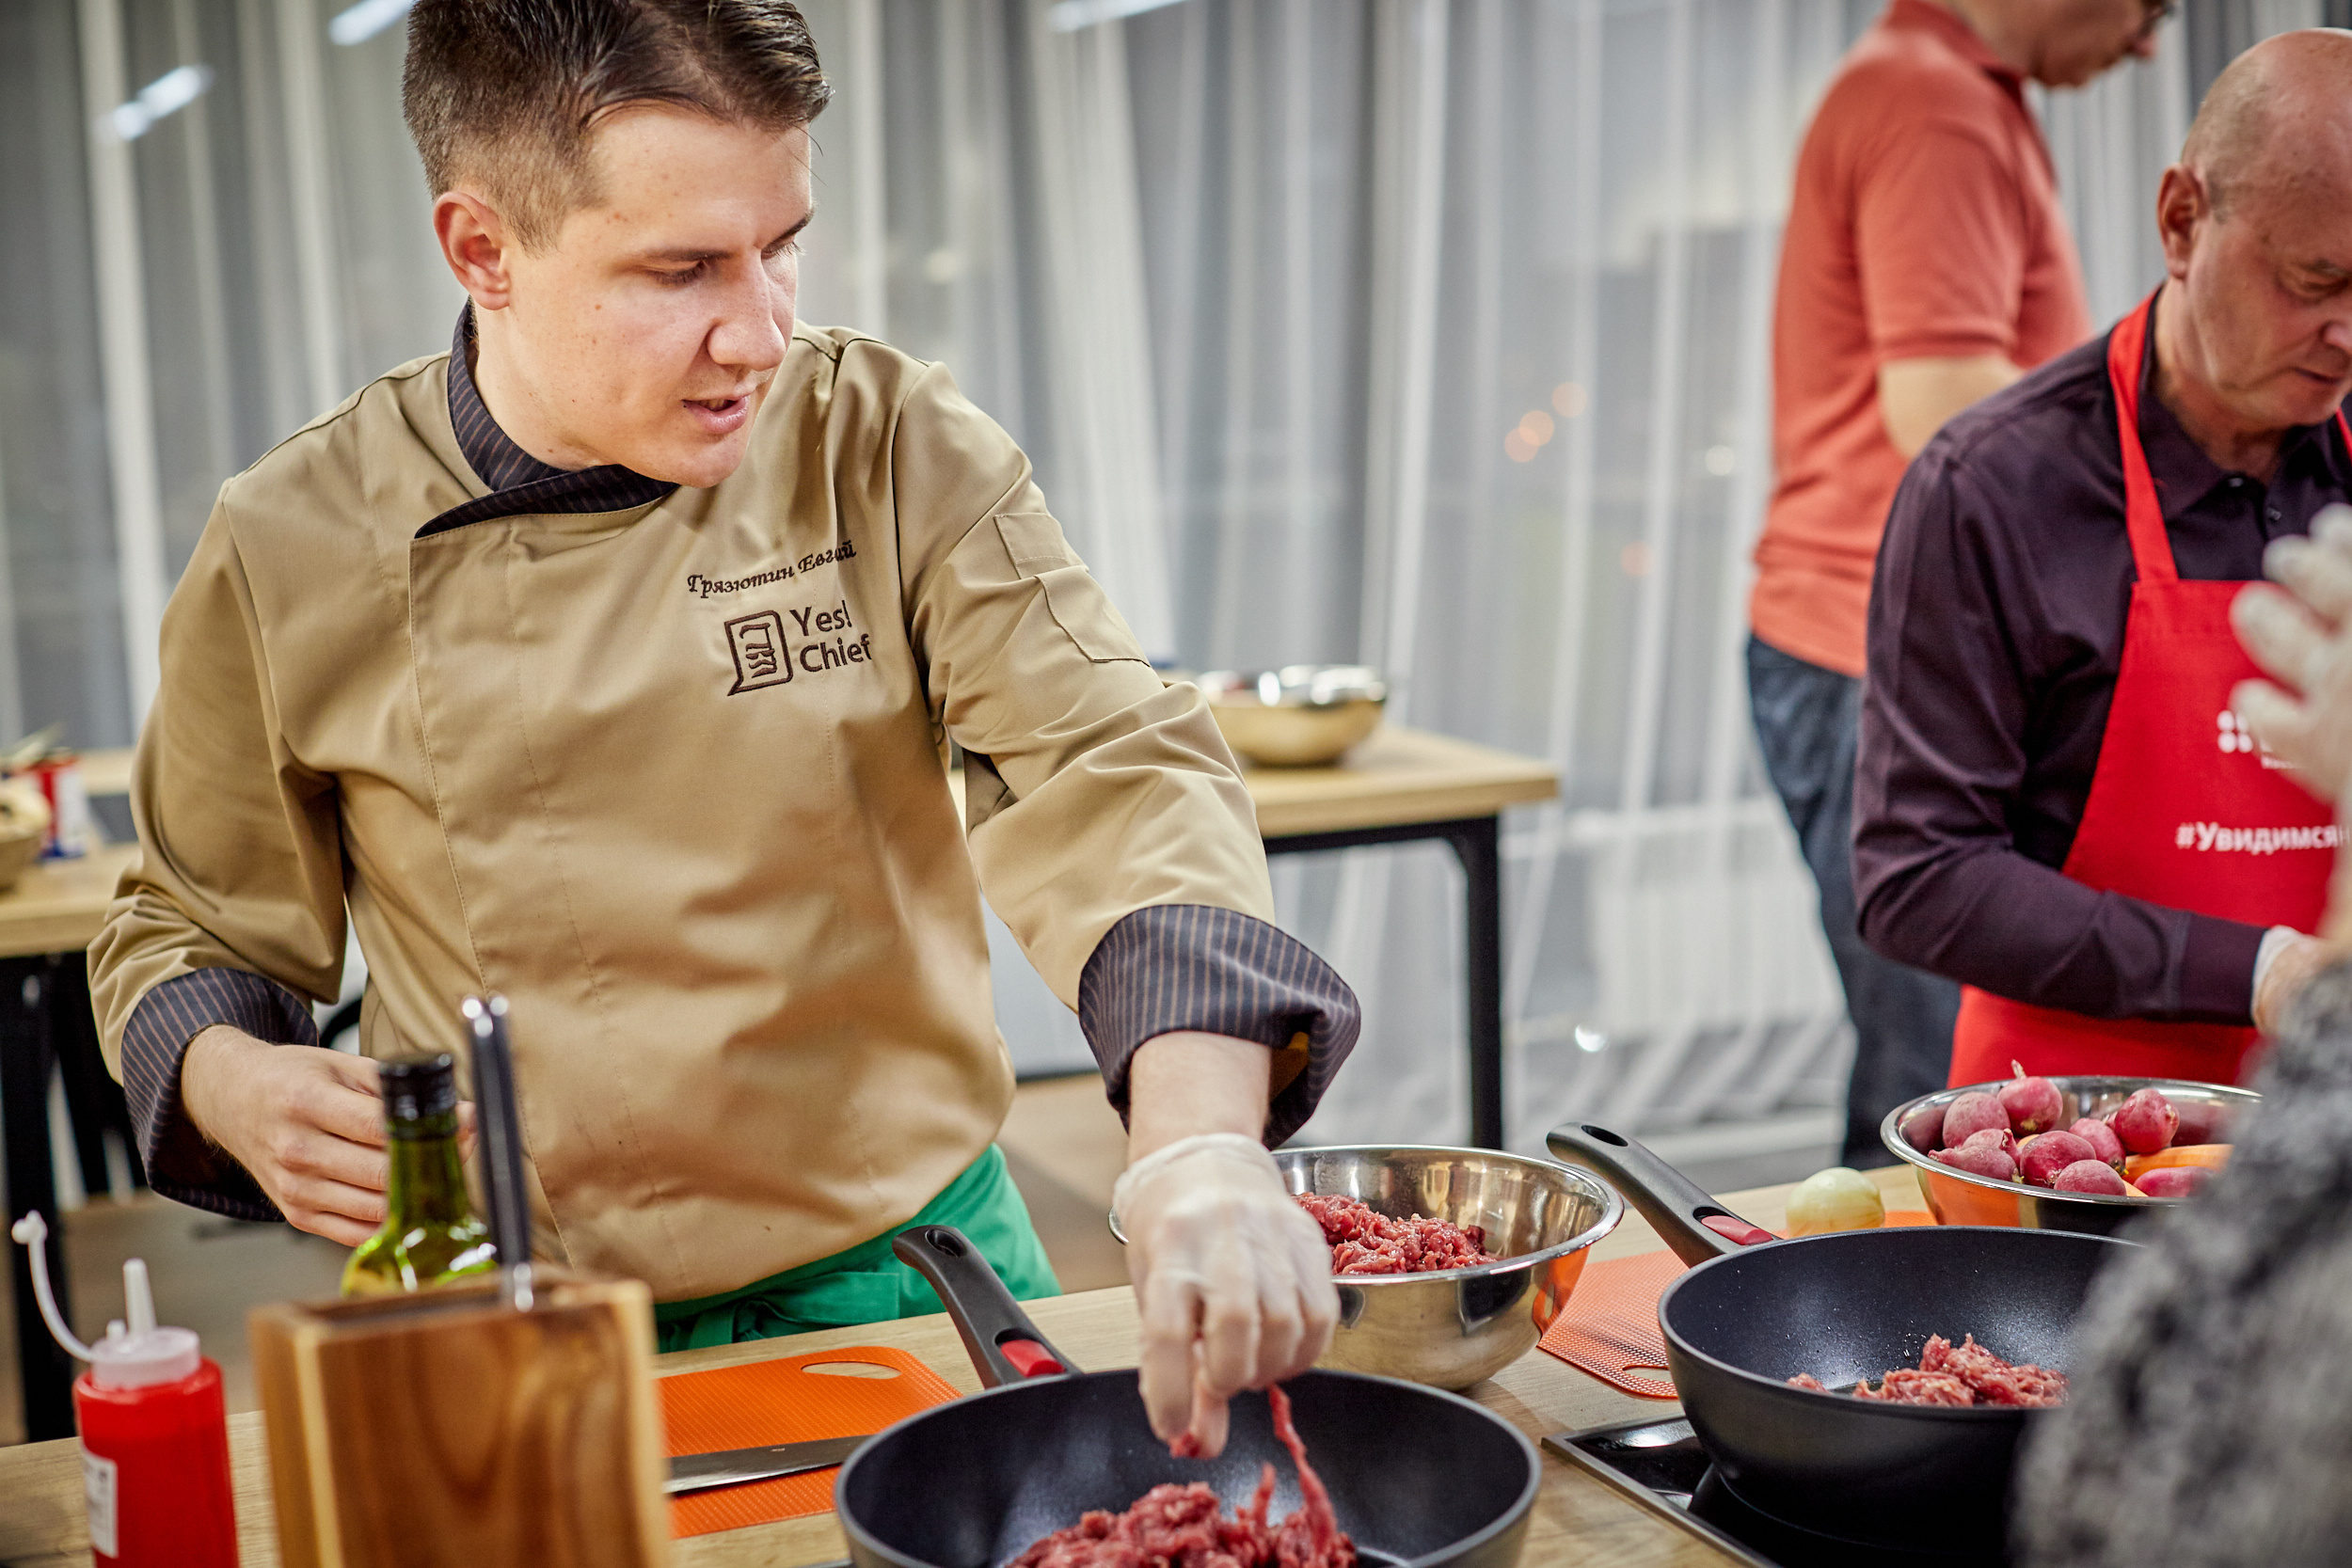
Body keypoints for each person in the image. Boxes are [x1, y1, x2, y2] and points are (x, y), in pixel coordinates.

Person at [85, 0, 1355, 1458]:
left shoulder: (881, 437)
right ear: (483, 249)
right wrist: (231, 1078)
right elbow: (191, 919)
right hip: (514, 1323)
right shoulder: (289, 539)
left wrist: (1196, 1146)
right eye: (682, 266)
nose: (761, 331)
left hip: (911, 1278)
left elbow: (1108, 763)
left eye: (783, 243)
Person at [1853, 29, 2352, 1091]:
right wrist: (2256, 968)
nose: (2346, 334)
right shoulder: (1989, 489)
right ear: (2181, 220)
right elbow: (1918, 876)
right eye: (2316, 279)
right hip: (2076, 1139)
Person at [1750, 0, 2159, 1161]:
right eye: (2153, 6)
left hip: (1852, 647)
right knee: (1934, 1086)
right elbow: (1945, 412)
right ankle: (1882, 1328)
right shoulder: (1936, 105)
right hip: (1877, 653)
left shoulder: (1937, 86)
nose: (2146, 45)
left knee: (1926, 1066)